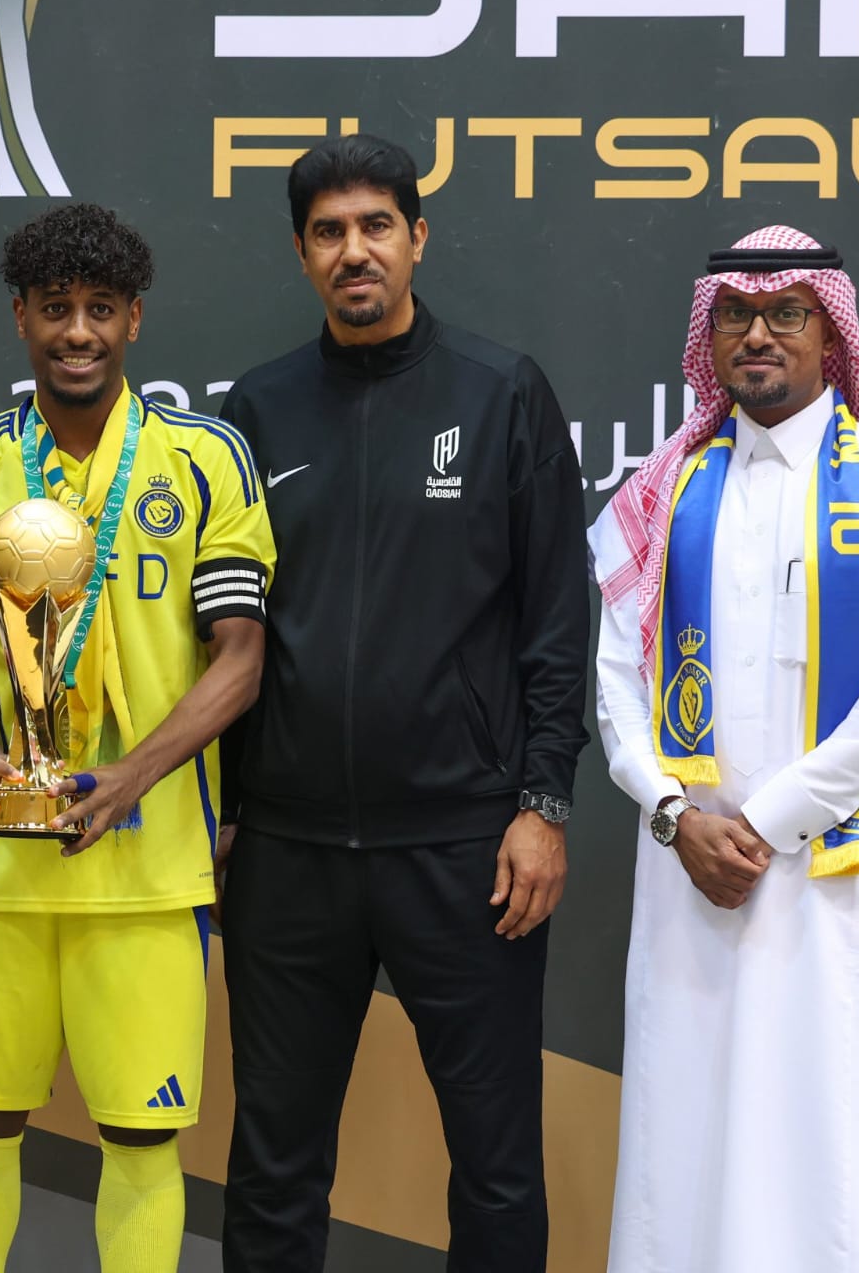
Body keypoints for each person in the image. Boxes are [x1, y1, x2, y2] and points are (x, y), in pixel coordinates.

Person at [217, 133, 590, 1272]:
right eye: (328, 232)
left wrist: (542, 803)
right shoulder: (258, 407)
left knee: (495, 1165)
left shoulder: (501, 391)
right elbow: (225, 631)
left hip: (466, 850)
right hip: (288, 854)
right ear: (300, 253)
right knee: (273, 1165)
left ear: (417, 237)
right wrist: (226, 810)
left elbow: (556, 620)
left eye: (376, 225)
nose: (355, 251)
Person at [588, 225, 859, 1273]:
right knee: (687, 1127)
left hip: (844, 887)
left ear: (828, 334)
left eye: (785, 314)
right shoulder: (660, 493)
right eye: (735, 316)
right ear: (707, 336)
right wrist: (673, 814)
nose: (757, 335)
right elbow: (616, 682)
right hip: (690, 878)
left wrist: (761, 821)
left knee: (843, 1134)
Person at [0, 202, 274, 1273]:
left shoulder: (205, 460)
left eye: (100, 308)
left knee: (143, 1136)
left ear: (134, 319)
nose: (78, 332)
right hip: (3, 866)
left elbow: (240, 658)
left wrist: (131, 778)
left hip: (150, 871)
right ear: (19, 316)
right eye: (55, 308)